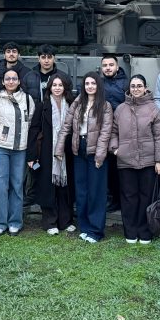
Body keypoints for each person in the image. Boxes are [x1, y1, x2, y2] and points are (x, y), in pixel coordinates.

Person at [54, 71, 113, 243]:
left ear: (98, 85)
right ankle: (85, 227)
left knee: (96, 192)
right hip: (78, 149)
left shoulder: (105, 106)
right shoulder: (78, 103)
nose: (90, 86)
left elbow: (105, 132)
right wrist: (59, 148)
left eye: (93, 83)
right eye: (87, 83)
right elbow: (66, 126)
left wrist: (100, 155)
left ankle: (96, 230)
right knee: (81, 191)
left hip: (95, 151)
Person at [110, 75, 160, 244]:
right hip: (125, 161)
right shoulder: (121, 109)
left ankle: (144, 232)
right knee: (128, 197)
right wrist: (116, 149)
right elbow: (113, 132)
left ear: (145, 88)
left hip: (148, 161)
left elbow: (159, 136)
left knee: (146, 197)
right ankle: (130, 232)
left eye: (139, 86)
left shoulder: (153, 109)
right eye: (133, 86)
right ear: (129, 88)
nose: (136, 89)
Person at [0, 68, 36, 235]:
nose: (11, 81)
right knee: (0, 186)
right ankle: (0, 222)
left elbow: (31, 124)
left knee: (17, 186)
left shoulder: (27, 99)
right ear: (3, 81)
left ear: (19, 81)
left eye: (14, 78)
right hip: (0, 148)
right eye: (8, 79)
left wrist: (31, 150)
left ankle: (15, 221)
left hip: (20, 150)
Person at [26, 74, 77, 235]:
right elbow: (34, 130)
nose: (57, 88)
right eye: (54, 85)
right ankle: (50, 222)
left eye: (60, 85)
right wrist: (31, 156)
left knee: (65, 188)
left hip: (67, 153)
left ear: (65, 87)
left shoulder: (72, 105)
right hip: (46, 153)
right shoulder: (42, 106)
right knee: (48, 188)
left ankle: (66, 221)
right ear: (49, 88)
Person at [99, 54, 127, 213]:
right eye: (105, 65)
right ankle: (111, 199)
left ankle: (120, 199)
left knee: (120, 168)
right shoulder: (98, 83)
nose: (108, 68)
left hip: (122, 131)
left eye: (111, 65)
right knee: (107, 168)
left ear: (117, 66)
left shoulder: (126, 84)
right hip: (103, 130)